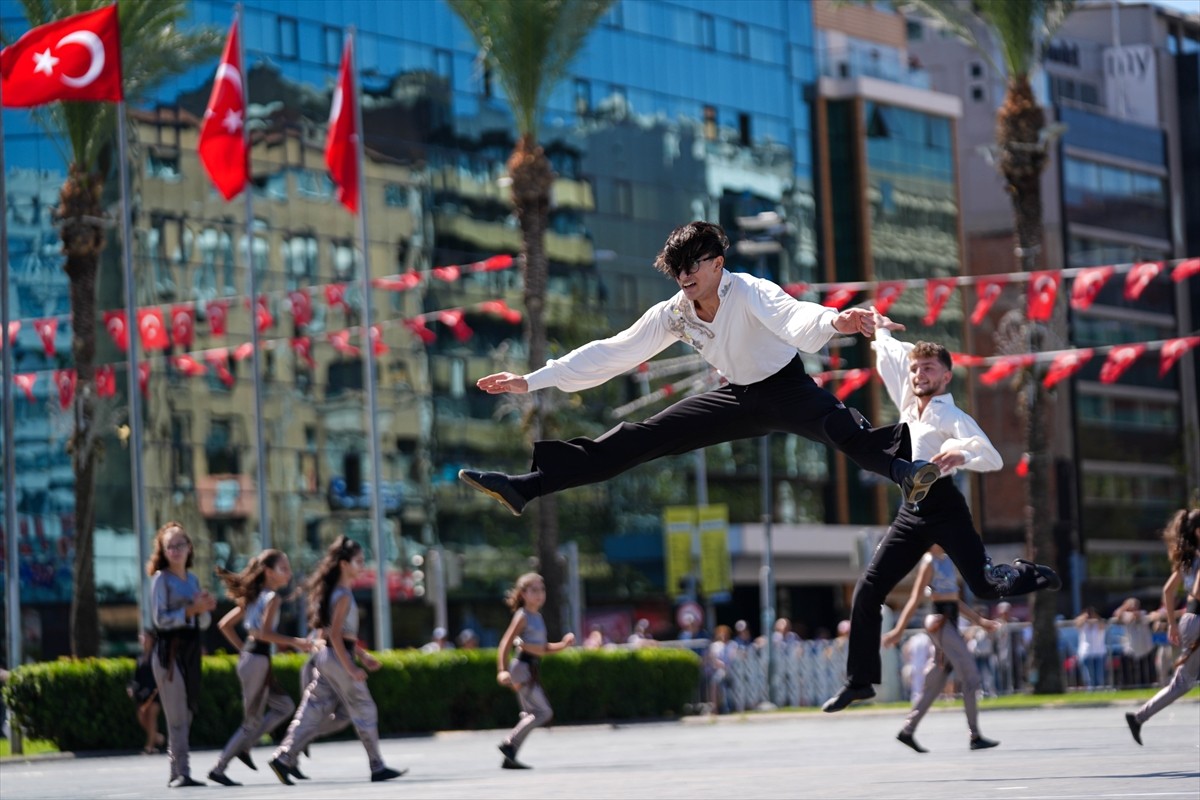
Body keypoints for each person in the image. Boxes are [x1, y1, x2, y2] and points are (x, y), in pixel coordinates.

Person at [458, 221, 944, 517]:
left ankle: (905, 471)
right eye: (677, 268)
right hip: (738, 397)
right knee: (639, 436)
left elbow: (794, 317)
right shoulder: (674, 313)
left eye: (693, 265)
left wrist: (839, 320)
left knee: (841, 427)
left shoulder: (750, 290)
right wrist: (533, 379)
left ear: (718, 263)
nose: (685, 275)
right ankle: (526, 486)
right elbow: (614, 351)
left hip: (787, 388)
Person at [823, 312, 1060, 713]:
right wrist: (880, 329)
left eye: (929, 368)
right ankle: (859, 682)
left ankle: (1028, 572)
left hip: (946, 508)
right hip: (911, 510)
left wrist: (961, 454)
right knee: (867, 589)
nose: (919, 374)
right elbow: (891, 357)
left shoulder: (953, 417)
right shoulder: (906, 399)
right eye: (917, 369)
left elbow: (992, 457)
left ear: (947, 376)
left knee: (986, 587)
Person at [268, 536, 406, 784]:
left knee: (314, 711)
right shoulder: (342, 595)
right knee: (364, 708)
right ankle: (377, 766)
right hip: (335, 657)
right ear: (343, 564)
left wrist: (362, 656)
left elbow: (333, 634)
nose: (362, 566)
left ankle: (284, 757)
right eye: (358, 561)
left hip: (328, 657)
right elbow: (334, 635)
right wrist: (351, 667)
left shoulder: (335, 593)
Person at [208, 549, 313, 787]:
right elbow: (264, 633)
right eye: (283, 568)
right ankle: (219, 767)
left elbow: (224, 625)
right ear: (268, 571)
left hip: (254, 658)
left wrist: (243, 650)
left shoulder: (254, 597)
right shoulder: (272, 598)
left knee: (284, 706)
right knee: (251, 722)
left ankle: (245, 746)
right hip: (257, 659)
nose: (288, 573)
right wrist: (297, 642)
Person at [882, 546, 1002, 753]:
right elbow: (915, 598)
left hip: (949, 623)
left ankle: (907, 731)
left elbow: (954, 599)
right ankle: (975, 736)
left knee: (936, 681)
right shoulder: (929, 561)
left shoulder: (947, 560)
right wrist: (899, 630)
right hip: (940, 623)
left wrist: (980, 621)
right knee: (970, 676)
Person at [147, 521, 216, 788]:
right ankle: (181, 772)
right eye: (169, 546)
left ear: (189, 547)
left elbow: (204, 622)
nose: (175, 550)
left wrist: (204, 609)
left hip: (191, 650)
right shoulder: (161, 579)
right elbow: (159, 619)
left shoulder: (193, 580)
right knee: (176, 714)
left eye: (180, 544)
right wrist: (189, 611)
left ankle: (177, 770)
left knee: (187, 712)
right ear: (163, 551)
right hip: (169, 651)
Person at [1126, 508, 1200, 745]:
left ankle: (1138, 718)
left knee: (1182, 683)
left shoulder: (1188, 558)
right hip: (1198, 620)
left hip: (1190, 620)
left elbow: (1168, 591)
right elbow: (1197, 592)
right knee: (1182, 682)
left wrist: (1173, 625)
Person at [496, 572, 575, 769]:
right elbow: (506, 642)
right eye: (534, 590)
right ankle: (509, 742)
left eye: (542, 589)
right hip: (522, 668)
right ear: (523, 594)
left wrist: (563, 645)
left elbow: (543, 648)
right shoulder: (522, 616)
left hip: (530, 668)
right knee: (544, 712)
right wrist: (502, 670)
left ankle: (510, 757)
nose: (539, 594)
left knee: (529, 714)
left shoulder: (537, 617)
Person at [126, 629, 164, 755]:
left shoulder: (156, 656)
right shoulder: (140, 657)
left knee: (152, 717)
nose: (143, 640)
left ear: (151, 640)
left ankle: (150, 747)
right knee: (142, 718)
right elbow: (136, 678)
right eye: (142, 637)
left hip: (155, 693)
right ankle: (156, 736)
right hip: (142, 694)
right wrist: (131, 688)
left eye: (146, 637)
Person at [1111, 597, 1156, 687]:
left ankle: (1146, 685)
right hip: (1132, 647)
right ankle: (1130, 686)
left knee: (1145, 670)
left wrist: (1134, 614)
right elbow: (1117, 614)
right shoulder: (1125, 615)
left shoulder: (1143, 613)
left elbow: (1140, 616)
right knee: (1131, 671)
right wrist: (1125, 606)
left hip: (1145, 647)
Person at [1074, 607, 1108, 690]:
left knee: (1099, 678)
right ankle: (1091, 691)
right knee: (1089, 678)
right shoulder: (1083, 625)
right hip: (1086, 653)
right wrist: (1084, 616)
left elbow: (1102, 625)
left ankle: (1099, 692)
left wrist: (1095, 618)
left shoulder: (1099, 624)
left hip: (1099, 653)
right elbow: (1077, 623)